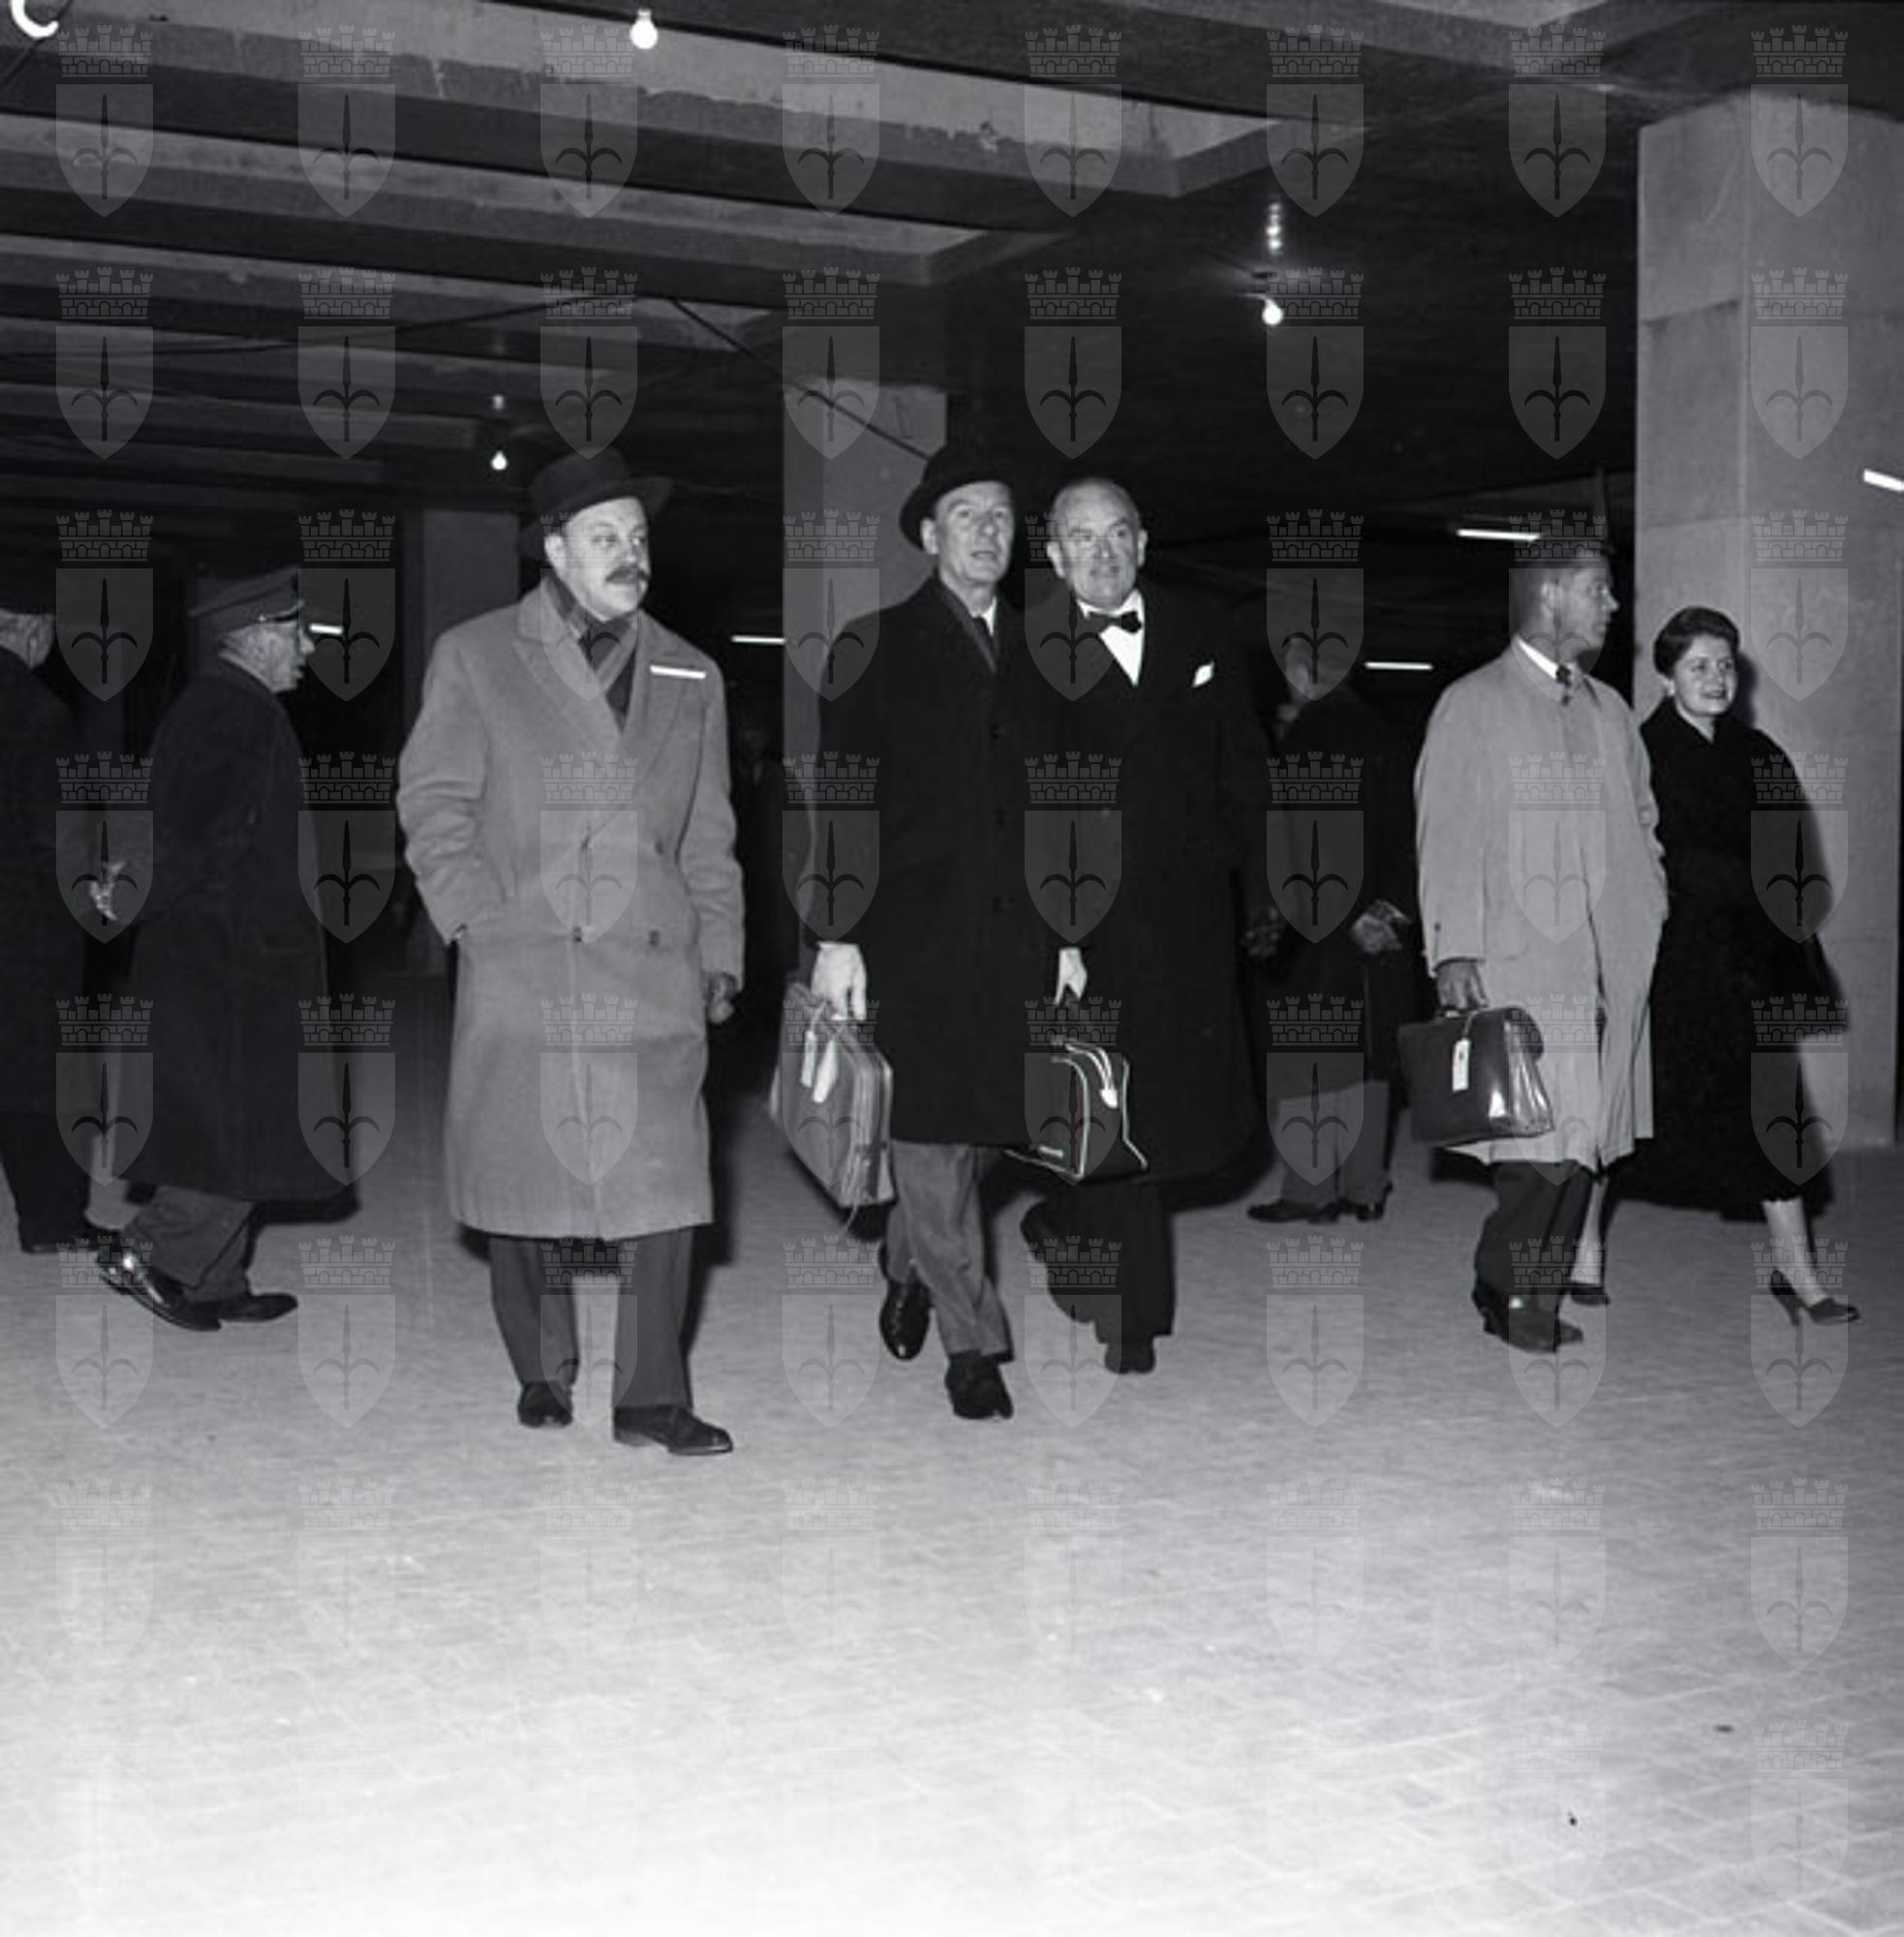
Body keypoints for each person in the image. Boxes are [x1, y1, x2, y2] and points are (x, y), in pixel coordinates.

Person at [398, 449, 744, 1454]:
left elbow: (711, 832)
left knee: (666, 1181)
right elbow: (434, 801)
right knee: (526, 1179)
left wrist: (720, 948)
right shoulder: (476, 654)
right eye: (605, 537)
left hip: (652, 956)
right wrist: (477, 919)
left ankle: (650, 1395)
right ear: (554, 551)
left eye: (638, 536)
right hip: (527, 955)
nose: (631, 553)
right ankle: (541, 1367)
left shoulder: (692, 670)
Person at [810, 444, 1049, 1422]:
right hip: (911, 933)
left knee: (988, 1134)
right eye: (964, 516)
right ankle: (972, 1344)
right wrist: (836, 935)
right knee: (934, 1134)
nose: (987, 532)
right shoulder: (872, 644)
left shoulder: (1050, 649)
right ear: (926, 534)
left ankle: (906, 1257)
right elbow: (842, 797)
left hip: (1022, 936)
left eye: (1001, 516)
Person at [1019, 476, 1272, 1372]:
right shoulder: (1023, 647)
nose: (1103, 553)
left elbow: (1243, 765)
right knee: (1106, 1101)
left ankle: (1064, 1225)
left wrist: (1263, 888)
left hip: (1189, 907)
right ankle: (1134, 1318)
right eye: (1082, 539)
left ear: (1144, 541)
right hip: (1083, 913)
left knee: (1171, 1110)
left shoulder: (1201, 629)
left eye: (1118, 533)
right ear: (1055, 556)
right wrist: (1052, 930)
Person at [1414, 538, 1666, 1353]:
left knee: (1585, 1144)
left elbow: (1645, 822)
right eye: (1599, 589)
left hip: (1608, 960)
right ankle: (1513, 1287)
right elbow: (1446, 832)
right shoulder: (1473, 703)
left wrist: (1650, 905)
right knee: (1540, 1147)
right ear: (1550, 595)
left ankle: (1527, 1286)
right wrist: (1453, 950)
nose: (1613, 605)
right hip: (1520, 958)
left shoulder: (1610, 710)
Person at [1575, 607, 1856, 1323]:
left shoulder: (1760, 754)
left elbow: (1795, 858)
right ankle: (1584, 1254)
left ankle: (1798, 1272)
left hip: (1744, 962)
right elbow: (1614, 861)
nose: (1716, 678)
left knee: (1771, 1114)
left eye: (1726, 665)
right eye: (1698, 666)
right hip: (1663, 962)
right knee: (1625, 1113)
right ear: (1667, 676)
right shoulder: (1636, 753)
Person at [96, 567, 332, 1330]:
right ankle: (151, 1250)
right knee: (241, 1122)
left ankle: (213, 1279)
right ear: (258, 636)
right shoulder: (237, 715)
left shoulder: (223, 705)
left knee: (237, 1117)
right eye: (296, 633)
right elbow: (198, 837)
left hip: (221, 950)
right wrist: (133, 892)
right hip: (233, 960)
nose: (307, 648)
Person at [1251, 653, 1418, 1225]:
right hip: (1382, 925)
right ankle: (1366, 1187)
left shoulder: (1308, 736)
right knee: (1370, 1056)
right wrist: (1386, 912)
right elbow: (1410, 831)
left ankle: (1310, 1191)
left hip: (1320, 926)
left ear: (1301, 672)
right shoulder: (1389, 734)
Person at [0, 556, 97, 1253]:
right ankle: (51, 1221)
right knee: (41, 1076)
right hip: (23, 928)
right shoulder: (38, 712)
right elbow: (52, 834)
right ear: (34, 631)